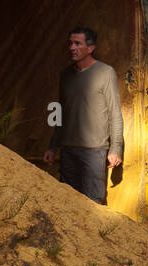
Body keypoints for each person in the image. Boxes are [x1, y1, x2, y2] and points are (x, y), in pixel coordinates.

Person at [42, 27, 123, 204]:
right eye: (70, 43)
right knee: (68, 202)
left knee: (94, 204)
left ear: (90, 48)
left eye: (77, 43)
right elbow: (60, 112)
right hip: (68, 150)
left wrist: (116, 148)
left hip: (94, 151)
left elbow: (115, 113)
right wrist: (53, 146)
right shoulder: (65, 75)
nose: (72, 47)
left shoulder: (105, 73)